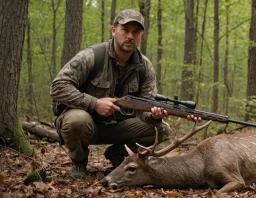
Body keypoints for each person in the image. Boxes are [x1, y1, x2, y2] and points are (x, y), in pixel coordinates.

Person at [50, 9, 201, 179]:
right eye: (125, 30)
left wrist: (154, 116)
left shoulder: (145, 67)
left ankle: (118, 153)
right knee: (78, 120)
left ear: (141, 36)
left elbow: (145, 109)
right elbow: (58, 87)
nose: (130, 36)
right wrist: (94, 103)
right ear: (114, 31)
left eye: (136, 32)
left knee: (161, 129)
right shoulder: (92, 56)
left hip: (117, 127)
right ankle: (79, 162)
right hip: (85, 125)